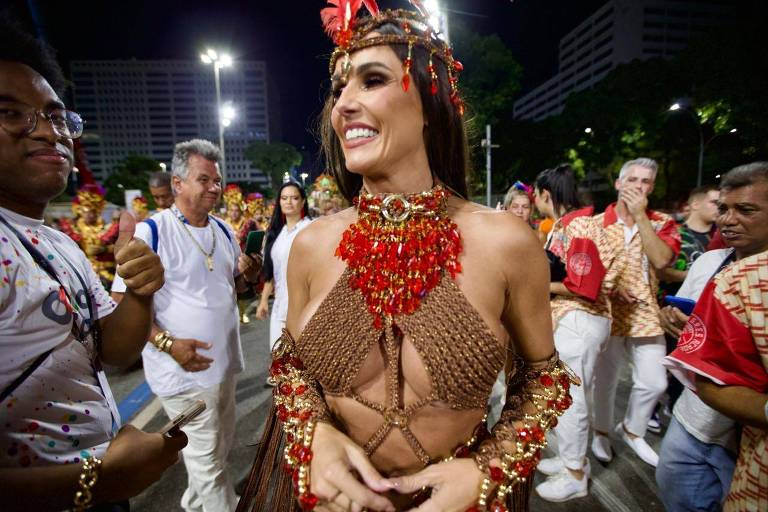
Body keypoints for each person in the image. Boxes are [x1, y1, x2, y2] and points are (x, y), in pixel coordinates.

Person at [237, 3, 575, 511]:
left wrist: (488, 469)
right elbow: (291, 366)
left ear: (431, 101)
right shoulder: (311, 245)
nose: (344, 104)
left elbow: (542, 376)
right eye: (338, 89)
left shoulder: (506, 241)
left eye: (371, 80)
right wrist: (318, 439)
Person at [0, 18, 186, 511]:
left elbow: (114, 349)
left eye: (56, 116)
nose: (48, 133)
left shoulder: (57, 242)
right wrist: (94, 480)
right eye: (12, 114)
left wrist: (141, 290)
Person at [111, 139, 262, 512]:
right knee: (207, 459)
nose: (215, 187)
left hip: (224, 365)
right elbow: (118, 304)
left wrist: (249, 276)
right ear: (178, 183)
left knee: (217, 448)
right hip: (183, 371)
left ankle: (196, 504)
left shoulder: (224, 230)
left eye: (217, 179)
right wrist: (167, 344)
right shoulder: (152, 232)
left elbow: (233, 288)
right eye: (204, 179)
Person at [660, 162, 768, 512]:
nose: (728, 220)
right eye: (724, 208)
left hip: (747, 442)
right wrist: (673, 322)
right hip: (692, 419)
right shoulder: (710, 263)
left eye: (746, 210)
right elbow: (687, 326)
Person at [532, 165, 625, 502]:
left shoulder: (580, 226)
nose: (536, 205)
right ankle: (572, 461)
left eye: (537, 198)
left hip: (581, 321)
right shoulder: (568, 225)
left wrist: (541, 284)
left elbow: (585, 286)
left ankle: (575, 474)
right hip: (574, 321)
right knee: (565, 398)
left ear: (547, 195)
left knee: (571, 401)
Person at [591, 158, 681, 467]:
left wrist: (641, 216)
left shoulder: (662, 222)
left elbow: (661, 261)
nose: (638, 186)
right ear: (618, 184)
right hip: (607, 310)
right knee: (605, 382)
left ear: (652, 187)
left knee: (655, 381)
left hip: (645, 312)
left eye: (645, 182)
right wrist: (612, 289)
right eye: (632, 180)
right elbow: (586, 271)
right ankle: (601, 433)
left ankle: (632, 428)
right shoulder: (596, 223)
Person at [255, 180, 312, 348]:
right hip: (280, 308)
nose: (288, 202)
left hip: (305, 309)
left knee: (305, 364)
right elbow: (271, 271)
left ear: (302, 202)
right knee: (278, 359)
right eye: (284, 198)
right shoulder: (275, 234)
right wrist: (264, 300)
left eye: (294, 198)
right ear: (279, 202)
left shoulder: (311, 228)